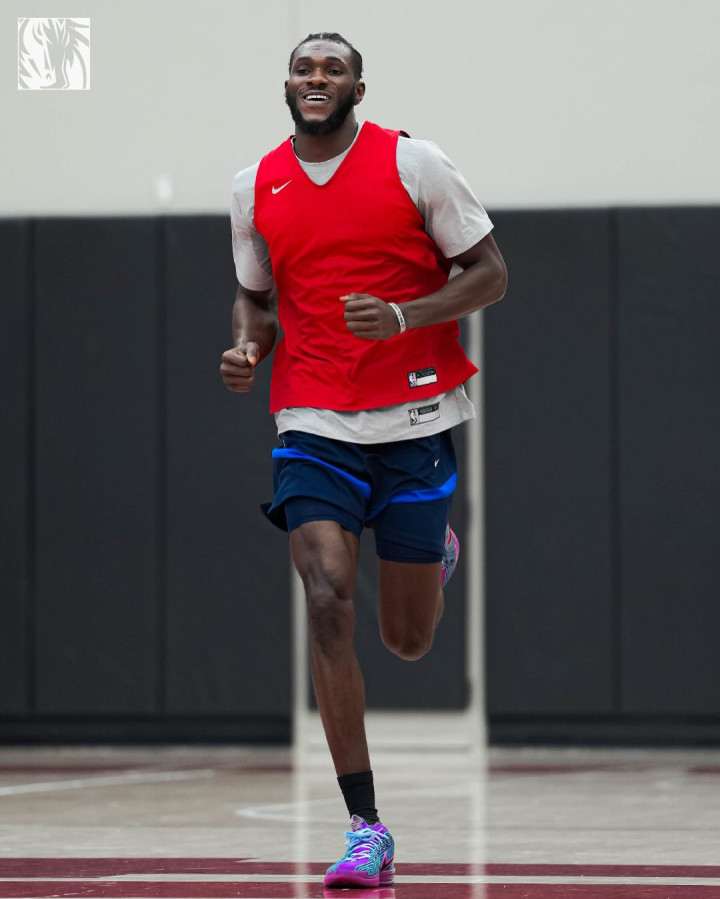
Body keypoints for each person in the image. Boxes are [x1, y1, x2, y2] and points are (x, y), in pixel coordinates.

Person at [221, 32, 507, 890]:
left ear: (357, 87)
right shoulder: (254, 186)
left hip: (414, 418)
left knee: (408, 641)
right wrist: (248, 345)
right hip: (311, 419)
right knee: (326, 597)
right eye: (304, 68)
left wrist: (407, 314)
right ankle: (365, 826)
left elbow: (490, 273)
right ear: (287, 86)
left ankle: (434, 550)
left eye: (333, 69)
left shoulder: (415, 164)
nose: (317, 78)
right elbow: (255, 298)